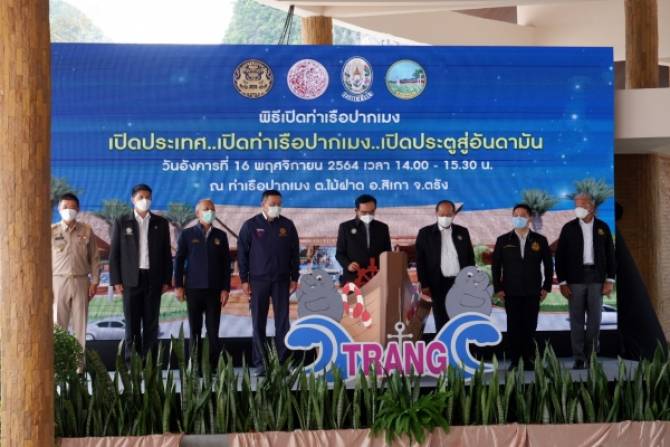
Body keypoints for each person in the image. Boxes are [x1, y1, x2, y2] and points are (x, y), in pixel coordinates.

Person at [237, 190, 300, 375]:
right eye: (272, 204)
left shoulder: (287, 225)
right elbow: (242, 254)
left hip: (282, 280)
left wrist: (294, 277)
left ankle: (283, 362)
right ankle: (260, 363)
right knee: (258, 323)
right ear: (263, 204)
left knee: (283, 323)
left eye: (279, 204)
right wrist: (244, 279)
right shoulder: (250, 225)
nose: (276, 207)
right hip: (258, 281)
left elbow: (295, 253)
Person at [109, 184, 173, 361]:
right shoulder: (122, 221)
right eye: (141, 197)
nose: (145, 200)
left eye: (148, 197)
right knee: (132, 324)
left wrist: (167, 280)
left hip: (154, 279)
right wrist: (116, 281)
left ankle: (150, 364)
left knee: (151, 324)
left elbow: (167, 254)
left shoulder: (161, 223)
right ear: (133, 199)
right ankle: (132, 364)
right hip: (130, 280)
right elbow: (114, 254)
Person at [555, 192, 616, 370]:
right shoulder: (568, 228)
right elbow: (560, 257)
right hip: (574, 280)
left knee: (595, 320)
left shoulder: (603, 227)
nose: (578, 208)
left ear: (592, 206)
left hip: (597, 278)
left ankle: (592, 356)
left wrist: (610, 280)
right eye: (576, 205)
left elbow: (611, 255)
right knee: (576, 321)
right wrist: (562, 282)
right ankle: (579, 357)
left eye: (582, 204)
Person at [492, 203, 553, 370]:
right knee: (513, 327)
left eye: (523, 215)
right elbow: (496, 267)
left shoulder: (540, 240)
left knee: (530, 326)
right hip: (510, 292)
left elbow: (549, 265)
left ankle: (529, 359)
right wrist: (498, 288)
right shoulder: (503, 240)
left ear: (530, 218)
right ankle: (515, 360)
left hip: (533, 292)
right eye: (516, 215)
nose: (519, 218)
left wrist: (546, 287)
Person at [174, 199, 231, 367]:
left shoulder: (221, 235)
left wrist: (225, 288)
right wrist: (178, 286)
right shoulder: (187, 234)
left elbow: (226, 264)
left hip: (214, 290)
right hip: (193, 290)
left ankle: (213, 367)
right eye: (206, 209)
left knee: (213, 331)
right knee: (195, 330)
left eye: (212, 209)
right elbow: (179, 261)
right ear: (197, 213)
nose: (210, 212)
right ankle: (196, 366)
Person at [415, 199, 475, 333]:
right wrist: (424, 284)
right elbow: (420, 261)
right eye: (442, 215)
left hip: (459, 283)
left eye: (449, 215)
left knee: (459, 318)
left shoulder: (463, 232)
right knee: (441, 319)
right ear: (436, 213)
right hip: (437, 283)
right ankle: (443, 344)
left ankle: (459, 342)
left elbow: (470, 258)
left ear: (454, 214)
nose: (445, 218)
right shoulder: (425, 233)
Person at [51, 192, 100, 350]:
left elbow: (94, 258)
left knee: (80, 325)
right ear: (59, 209)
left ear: (78, 209)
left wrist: (95, 282)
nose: (69, 210)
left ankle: (79, 363)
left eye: (72, 207)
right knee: (58, 326)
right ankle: (60, 363)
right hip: (58, 282)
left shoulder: (86, 230)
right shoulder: (52, 231)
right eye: (65, 207)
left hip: (81, 281)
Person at [335, 194, 392, 286]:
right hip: (353, 278)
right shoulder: (345, 227)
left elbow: (387, 253)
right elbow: (339, 253)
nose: (368, 215)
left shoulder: (383, 228)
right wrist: (348, 265)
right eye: (364, 212)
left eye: (371, 212)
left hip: (377, 278)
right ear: (356, 211)